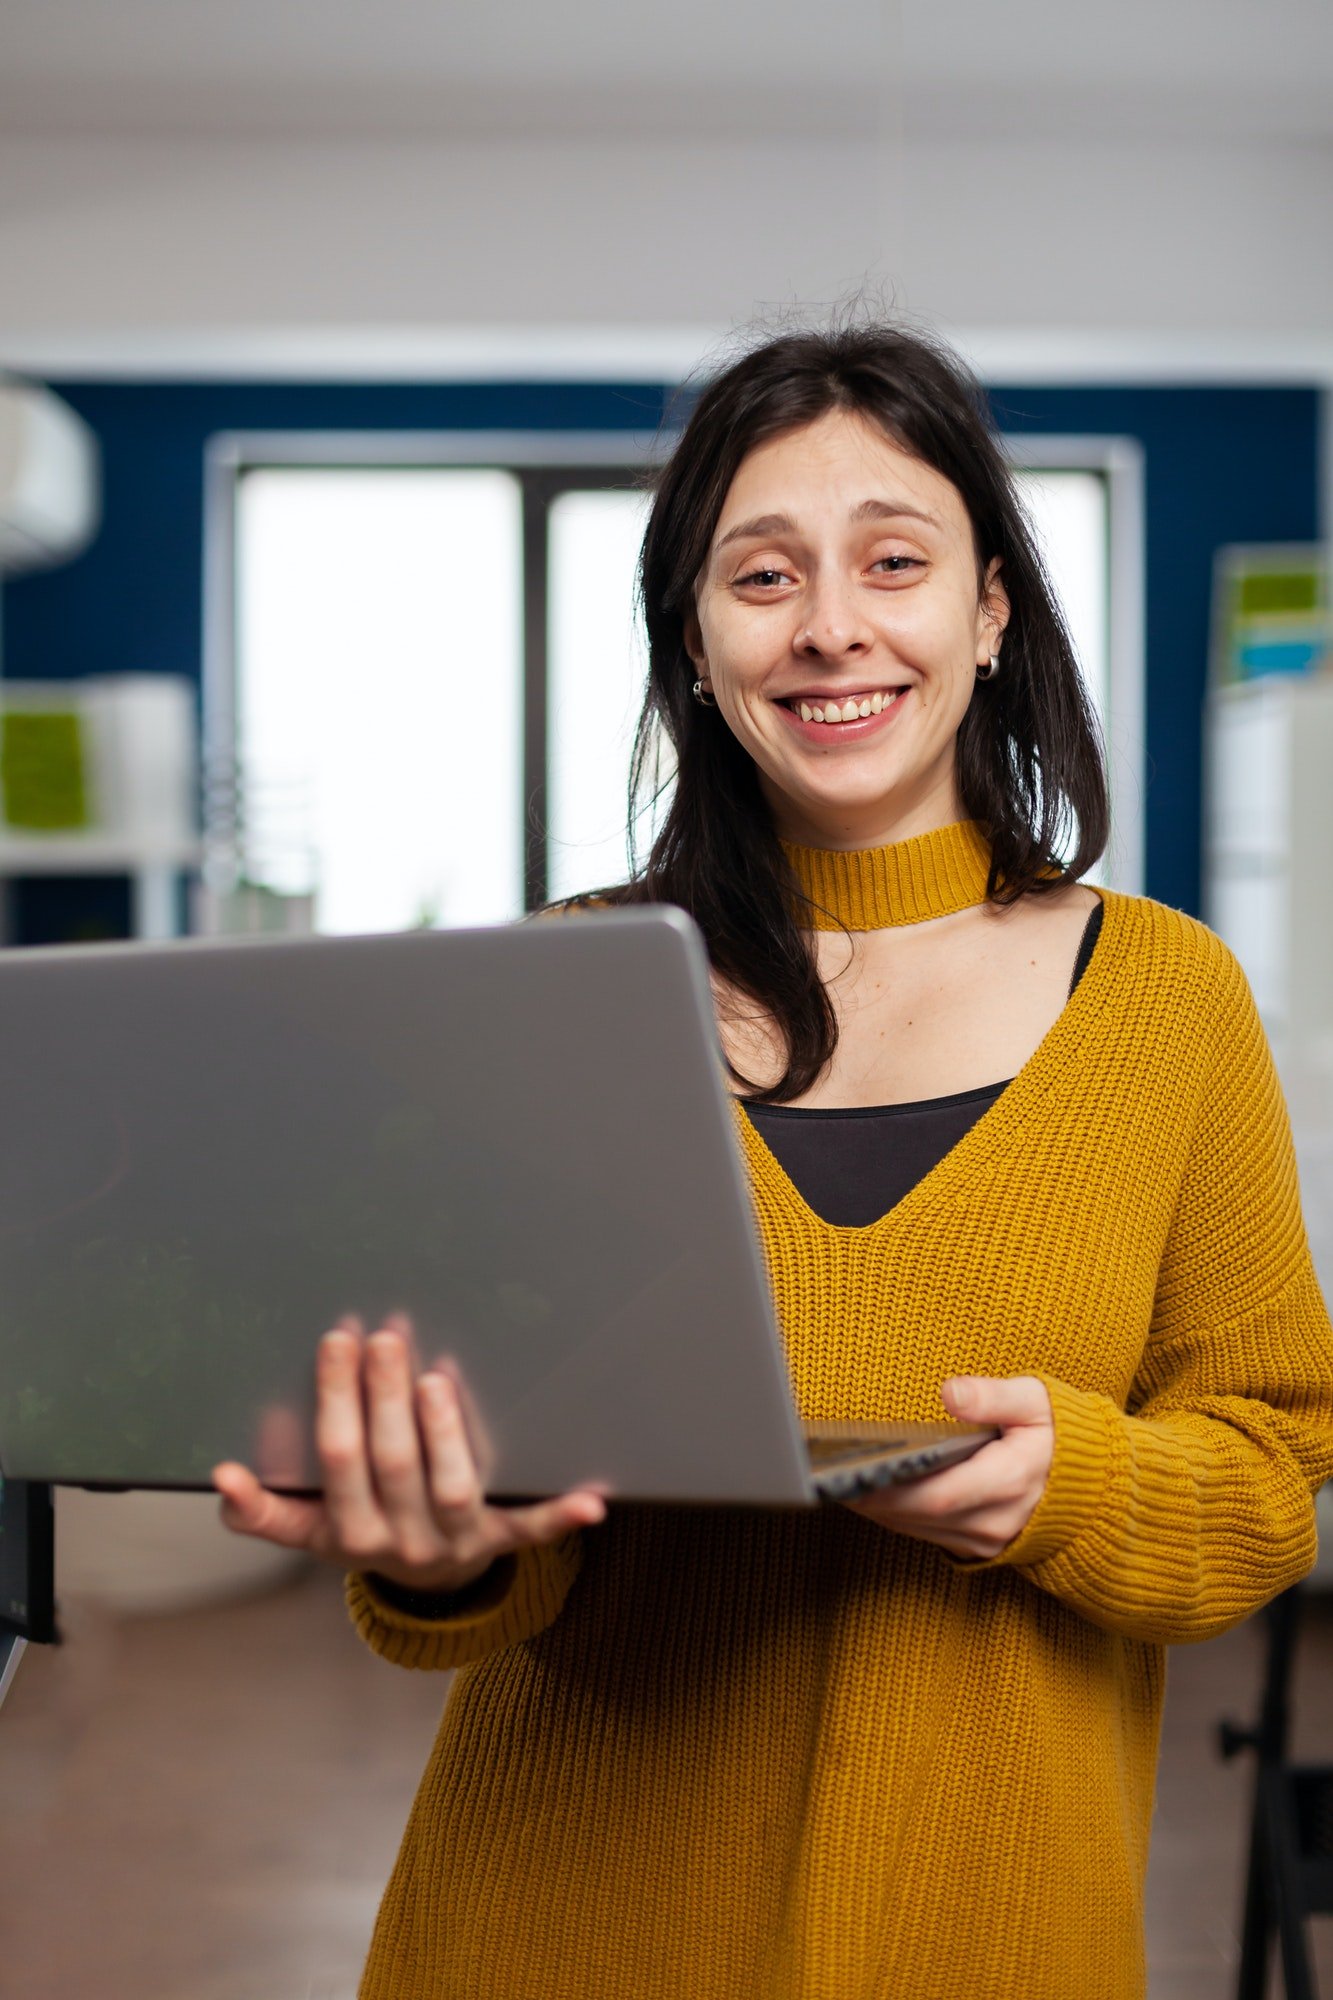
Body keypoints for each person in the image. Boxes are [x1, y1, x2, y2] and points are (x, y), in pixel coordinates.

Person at [212, 322, 1333, 2000]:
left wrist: (1072, 1487)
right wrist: (439, 1546)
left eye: (893, 560)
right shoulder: (549, 993)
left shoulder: (1168, 998)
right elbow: (486, 1512)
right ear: (693, 634)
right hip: (548, 1930)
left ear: (987, 609)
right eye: (760, 574)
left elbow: (1265, 1473)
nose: (829, 626)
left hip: (976, 1930)